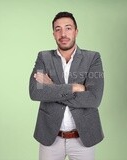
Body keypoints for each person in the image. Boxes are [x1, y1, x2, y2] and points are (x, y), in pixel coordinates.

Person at [29, 11, 104, 160]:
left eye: (68, 28)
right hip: (50, 137)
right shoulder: (43, 57)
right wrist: (74, 87)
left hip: (83, 138)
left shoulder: (93, 58)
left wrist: (51, 87)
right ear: (53, 34)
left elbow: (93, 99)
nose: (63, 33)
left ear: (76, 31)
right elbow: (35, 92)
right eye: (58, 29)